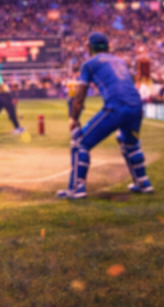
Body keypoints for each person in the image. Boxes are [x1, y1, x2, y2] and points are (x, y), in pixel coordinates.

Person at [59, 32, 153, 199]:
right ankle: (143, 183)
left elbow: (79, 97)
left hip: (116, 107)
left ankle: (77, 188)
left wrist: (74, 118)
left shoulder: (89, 64)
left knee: (80, 143)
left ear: (89, 47)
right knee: (130, 143)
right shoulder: (120, 61)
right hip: (136, 106)